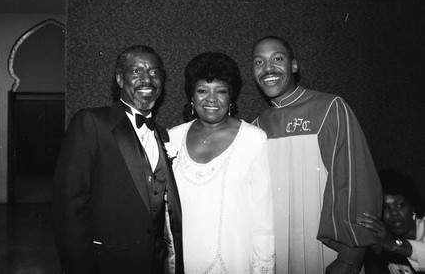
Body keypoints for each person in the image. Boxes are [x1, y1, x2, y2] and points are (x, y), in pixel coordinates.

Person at [251, 36, 382, 274]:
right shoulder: (256, 128)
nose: (268, 68)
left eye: (277, 59)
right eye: (259, 62)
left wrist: (351, 258)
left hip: (329, 252)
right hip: (277, 254)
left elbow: (357, 184)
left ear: (294, 65)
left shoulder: (330, 108)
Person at [53, 45, 184, 274]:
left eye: (154, 72)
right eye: (136, 71)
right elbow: (68, 209)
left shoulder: (163, 135)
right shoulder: (91, 123)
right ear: (120, 79)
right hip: (106, 264)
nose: (147, 80)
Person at [168, 52, 275, 273]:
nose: (211, 99)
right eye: (202, 91)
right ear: (191, 95)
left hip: (234, 259)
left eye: (221, 91)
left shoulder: (253, 139)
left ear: (231, 97)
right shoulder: (172, 138)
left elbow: (263, 217)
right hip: (183, 259)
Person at [357, 169, 425, 273]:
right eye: (386, 207)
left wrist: (395, 245)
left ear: (412, 206)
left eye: (400, 205)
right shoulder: (384, 247)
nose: (394, 212)